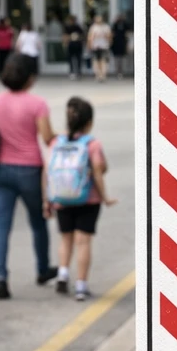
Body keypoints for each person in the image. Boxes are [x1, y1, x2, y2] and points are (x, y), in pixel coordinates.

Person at [0, 52, 56, 299]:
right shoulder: (37, 104)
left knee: (1, 225)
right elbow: (47, 138)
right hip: (30, 170)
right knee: (38, 222)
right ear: (30, 79)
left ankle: (0, 277)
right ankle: (42, 269)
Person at [45, 96, 115, 301]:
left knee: (65, 238)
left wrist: (46, 199)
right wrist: (105, 197)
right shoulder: (92, 144)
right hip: (87, 200)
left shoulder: (56, 142)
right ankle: (81, 286)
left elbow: (47, 171)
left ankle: (63, 274)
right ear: (89, 122)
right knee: (83, 242)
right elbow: (99, 172)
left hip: (61, 198)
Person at [87, 14, 113, 81]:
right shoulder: (93, 27)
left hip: (104, 46)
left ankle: (103, 75)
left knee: (103, 61)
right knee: (96, 61)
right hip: (95, 47)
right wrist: (89, 45)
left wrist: (106, 38)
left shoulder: (106, 27)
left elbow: (110, 37)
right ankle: (98, 74)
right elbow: (90, 37)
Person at [63, 14, 85, 80]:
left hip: (77, 45)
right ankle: (72, 72)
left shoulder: (78, 27)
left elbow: (82, 36)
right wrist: (67, 41)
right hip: (71, 44)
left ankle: (78, 72)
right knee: (70, 59)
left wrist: (77, 37)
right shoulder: (67, 27)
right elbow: (65, 36)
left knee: (78, 59)